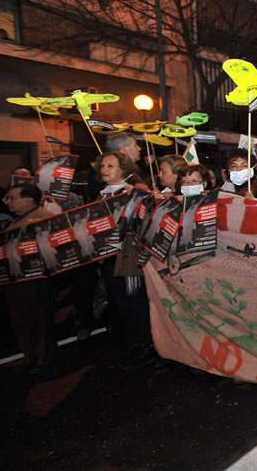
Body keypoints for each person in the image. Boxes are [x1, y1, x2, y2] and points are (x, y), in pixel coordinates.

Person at [94, 152, 156, 368]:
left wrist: (137, 195)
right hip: (109, 257)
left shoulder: (134, 190)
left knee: (135, 301)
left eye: (111, 166)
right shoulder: (101, 195)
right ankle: (132, 346)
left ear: (123, 169)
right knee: (119, 302)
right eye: (102, 165)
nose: (105, 169)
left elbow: (150, 210)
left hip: (129, 257)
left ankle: (147, 347)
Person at [1, 184, 56, 373]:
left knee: (36, 317)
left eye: (12, 198)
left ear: (29, 200)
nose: (8, 202)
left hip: (34, 278)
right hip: (16, 278)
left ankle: (42, 358)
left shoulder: (42, 218)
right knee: (21, 319)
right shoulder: (20, 219)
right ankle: (30, 355)